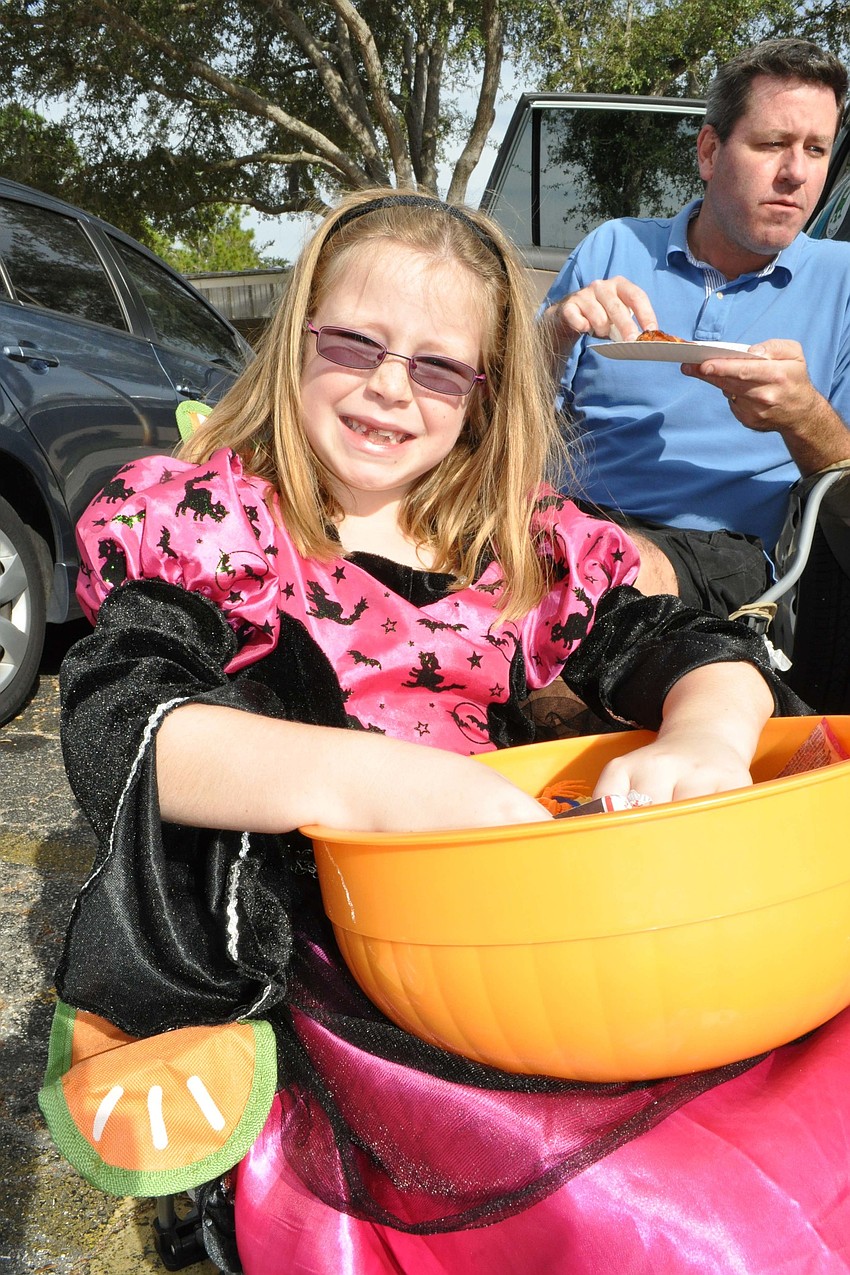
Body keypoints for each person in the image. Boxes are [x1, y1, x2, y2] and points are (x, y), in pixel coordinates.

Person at [43, 188, 850, 1274]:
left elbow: (697, 648)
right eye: (355, 344)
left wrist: (702, 738)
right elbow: (126, 729)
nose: (389, 386)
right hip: (337, 949)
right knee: (640, 1197)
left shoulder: (521, 550)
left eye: (435, 367)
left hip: (511, 934)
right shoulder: (212, 524)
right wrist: (392, 786)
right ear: (296, 342)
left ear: (483, 394)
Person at [542, 37, 850, 620]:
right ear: (709, 152)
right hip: (567, 523)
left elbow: (846, 492)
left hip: (718, 556)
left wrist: (804, 415)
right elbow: (508, 409)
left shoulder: (843, 282)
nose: (796, 173)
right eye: (773, 144)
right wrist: (556, 332)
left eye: (816, 149)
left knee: (600, 574)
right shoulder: (613, 247)